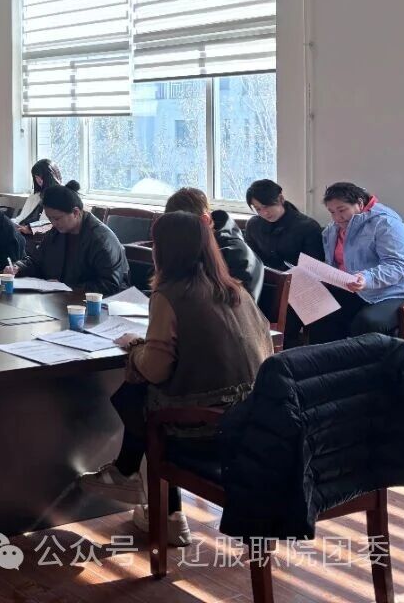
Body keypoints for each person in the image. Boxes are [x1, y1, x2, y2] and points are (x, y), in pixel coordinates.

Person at [79, 212, 274, 547]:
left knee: (136, 394)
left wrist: (136, 347)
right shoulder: (235, 289)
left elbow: (156, 369)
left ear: (163, 250)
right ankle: (140, 488)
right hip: (252, 418)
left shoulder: (170, 293)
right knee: (144, 395)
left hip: (205, 428)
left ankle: (146, 494)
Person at [306, 182, 404, 341]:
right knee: (319, 312)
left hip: (401, 291)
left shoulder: (386, 224)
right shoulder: (332, 230)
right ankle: (326, 357)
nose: (337, 218)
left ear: (359, 203)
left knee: (367, 323)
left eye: (342, 210)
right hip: (360, 289)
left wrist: (367, 278)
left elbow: (399, 266)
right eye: (332, 212)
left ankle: (362, 359)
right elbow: (336, 264)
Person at [14, 182, 129, 294]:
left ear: (75, 212)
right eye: (50, 218)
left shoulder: (101, 240)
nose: (53, 223)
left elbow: (110, 285)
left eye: (57, 218)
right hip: (63, 298)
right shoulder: (56, 232)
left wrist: (67, 287)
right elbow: (38, 262)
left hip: (100, 302)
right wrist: (19, 268)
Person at [164, 187, 264, 303]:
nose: (176, 236)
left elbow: (233, 305)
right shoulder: (194, 243)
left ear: (205, 220)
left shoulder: (237, 256)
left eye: (180, 230)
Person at [243, 179, 326, 271]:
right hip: (262, 277)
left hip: (295, 278)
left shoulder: (308, 227)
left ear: (281, 199)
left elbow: (313, 268)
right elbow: (251, 258)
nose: (264, 213)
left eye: (267, 206)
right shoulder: (253, 225)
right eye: (258, 209)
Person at [17, 159, 64, 232]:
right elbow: (21, 218)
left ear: (50, 176)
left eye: (41, 176)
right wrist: (12, 224)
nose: (38, 180)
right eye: (36, 177)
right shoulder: (35, 195)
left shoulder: (62, 196)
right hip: (23, 230)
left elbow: (53, 224)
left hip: (40, 235)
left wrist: (31, 229)